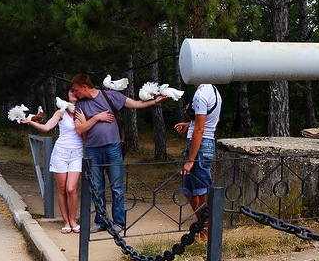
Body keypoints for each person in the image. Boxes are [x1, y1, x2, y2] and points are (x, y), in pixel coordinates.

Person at [70, 73, 168, 233]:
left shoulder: (110, 96)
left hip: (112, 148)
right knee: (96, 187)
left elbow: (136, 104)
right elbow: (79, 129)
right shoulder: (81, 105)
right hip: (93, 150)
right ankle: (101, 221)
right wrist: (96, 118)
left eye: (75, 90)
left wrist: (155, 101)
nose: (74, 94)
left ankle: (119, 222)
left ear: (84, 86)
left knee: (116, 186)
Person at [21, 87, 83, 234]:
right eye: (71, 91)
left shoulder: (83, 110)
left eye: (77, 91)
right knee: (62, 189)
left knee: (71, 188)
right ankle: (66, 221)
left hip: (77, 153)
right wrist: (29, 122)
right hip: (60, 153)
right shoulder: (60, 112)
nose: (74, 94)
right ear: (67, 95)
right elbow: (47, 127)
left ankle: (73, 219)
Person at [174, 83, 222, 241]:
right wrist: (190, 125)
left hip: (201, 146)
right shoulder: (212, 90)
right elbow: (215, 119)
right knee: (188, 190)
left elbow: (201, 130)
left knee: (202, 192)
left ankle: (208, 233)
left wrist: (190, 160)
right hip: (200, 144)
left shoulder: (201, 94)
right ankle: (203, 226)